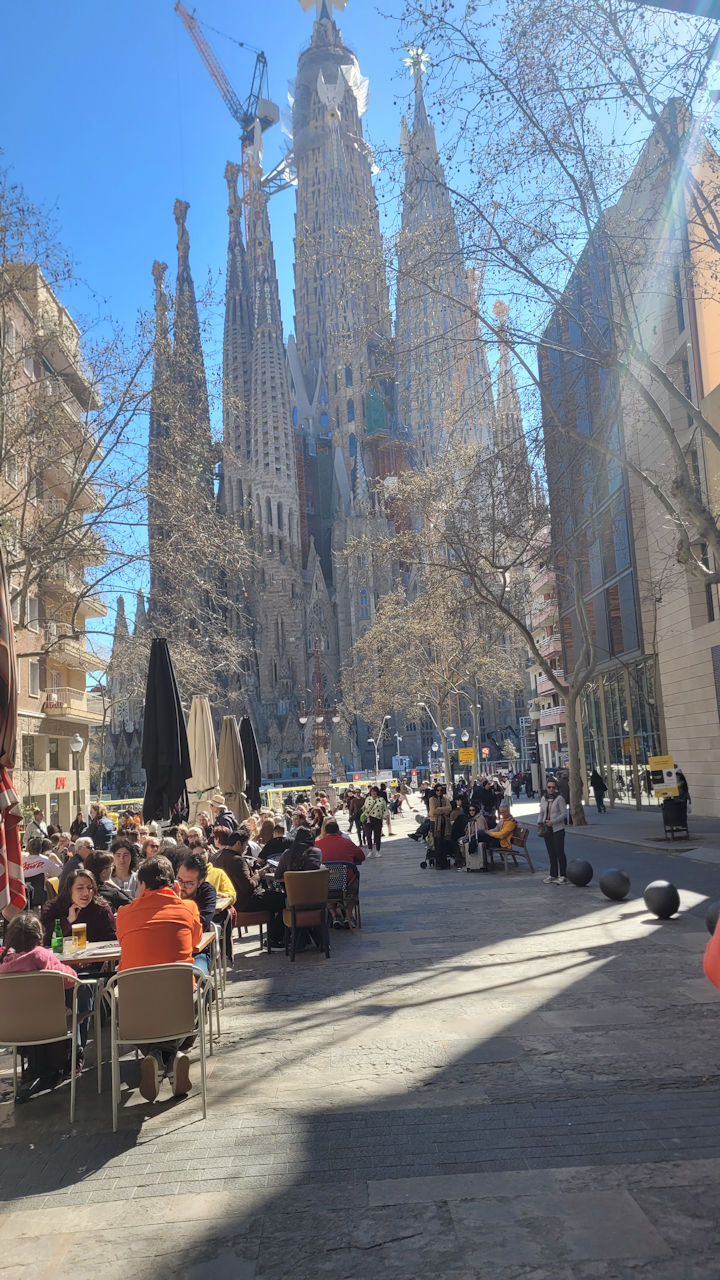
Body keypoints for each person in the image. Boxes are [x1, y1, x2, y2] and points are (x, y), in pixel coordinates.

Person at [115, 855, 202, 1100]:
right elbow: (196, 941)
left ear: (142, 884)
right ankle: (170, 1058)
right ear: (173, 884)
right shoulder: (187, 908)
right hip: (180, 1008)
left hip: (135, 1013)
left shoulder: (124, 913)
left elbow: (122, 941)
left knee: (128, 1005)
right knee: (202, 988)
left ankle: (157, 1057)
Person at [41, 868, 117, 947]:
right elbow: (46, 940)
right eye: (80, 888)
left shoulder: (101, 909)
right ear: (70, 890)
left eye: (89, 888)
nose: (86, 893)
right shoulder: (53, 909)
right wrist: (68, 921)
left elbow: (112, 939)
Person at [176, 852, 217, 932]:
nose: (182, 886)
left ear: (200, 882)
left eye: (189, 883)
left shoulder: (207, 891)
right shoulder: (170, 887)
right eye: (179, 880)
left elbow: (203, 922)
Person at [538, 778, 568, 883]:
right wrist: (539, 821)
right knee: (551, 852)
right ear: (546, 788)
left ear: (556, 788)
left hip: (558, 828)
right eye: (549, 787)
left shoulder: (559, 799)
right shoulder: (544, 798)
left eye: (553, 787)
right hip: (547, 828)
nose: (551, 789)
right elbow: (541, 812)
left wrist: (553, 821)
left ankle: (563, 875)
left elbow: (564, 814)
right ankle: (553, 874)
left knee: (559, 852)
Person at [471, 804, 518, 871]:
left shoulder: (511, 822)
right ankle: (474, 853)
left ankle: (472, 852)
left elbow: (501, 835)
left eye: (503, 812)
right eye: (500, 812)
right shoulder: (503, 820)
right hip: (497, 839)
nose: (501, 814)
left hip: (501, 843)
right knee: (479, 835)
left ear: (508, 811)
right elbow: (496, 829)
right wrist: (487, 832)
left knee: (479, 834)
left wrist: (489, 833)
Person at [428, 784, 452, 868]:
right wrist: (443, 810)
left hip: (444, 822)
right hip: (435, 823)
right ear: (435, 791)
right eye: (437, 790)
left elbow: (449, 808)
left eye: (441, 790)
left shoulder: (445, 799)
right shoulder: (432, 799)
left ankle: (444, 861)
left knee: (444, 842)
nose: (439, 792)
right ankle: (438, 863)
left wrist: (439, 809)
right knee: (437, 843)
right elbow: (433, 812)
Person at [361, 786, 387, 857]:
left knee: (377, 836)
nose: (373, 793)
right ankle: (370, 850)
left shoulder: (381, 799)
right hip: (368, 819)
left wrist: (385, 817)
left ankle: (377, 851)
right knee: (368, 835)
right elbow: (364, 807)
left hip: (377, 819)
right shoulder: (368, 799)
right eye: (372, 791)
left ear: (377, 792)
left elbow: (385, 809)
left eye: (375, 791)